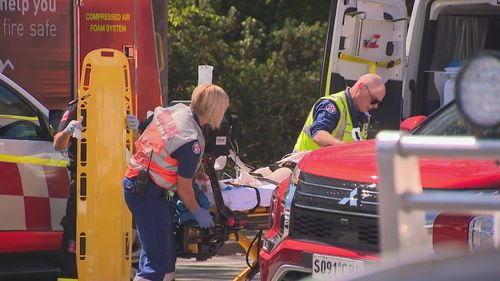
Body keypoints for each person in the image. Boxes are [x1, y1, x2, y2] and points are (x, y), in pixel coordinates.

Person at [123, 83, 229, 281]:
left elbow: (166, 148)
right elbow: (184, 189)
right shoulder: (191, 142)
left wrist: (196, 172)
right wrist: (198, 211)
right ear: (216, 110)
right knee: (158, 262)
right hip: (145, 192)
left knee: (165, 256)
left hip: (141, 185)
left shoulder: (177, 112)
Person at [53, 99, 139, 278]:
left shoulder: (121, 103)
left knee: (113, 242)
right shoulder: (78, 107)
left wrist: (136, 131)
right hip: (83, 185)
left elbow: (137, 146)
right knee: (75, 238)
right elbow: (57, 144)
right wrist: (68, 130)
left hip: (113, 185)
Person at [293, 73, 386, 152]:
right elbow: (319, 135)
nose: (375, 106)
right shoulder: (333, 105)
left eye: (379, 103)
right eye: (374, 100)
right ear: (361, 87)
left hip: (329, 169)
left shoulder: (364, 117)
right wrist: (346, 149)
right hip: (304, 165)